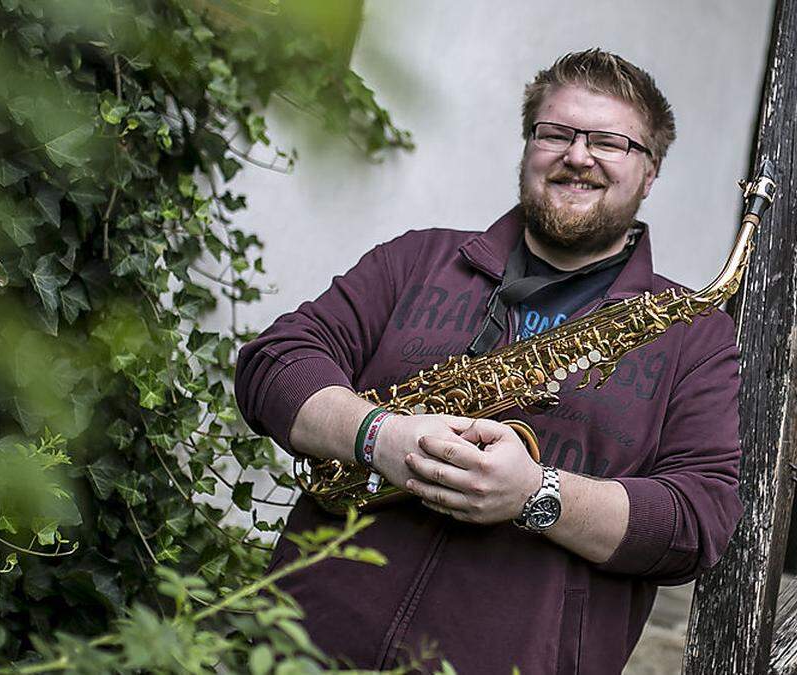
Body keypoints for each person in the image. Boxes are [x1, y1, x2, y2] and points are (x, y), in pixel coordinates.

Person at [234, 49, 742, 674]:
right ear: (529, 146)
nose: (577, 156)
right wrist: (380, 436)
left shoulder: (695, 335)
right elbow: (274, 364)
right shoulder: (417, 260)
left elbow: (697, 520)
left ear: (650, 170)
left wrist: (537, 494)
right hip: (302, 651)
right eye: (556, 133)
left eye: (608, 141)